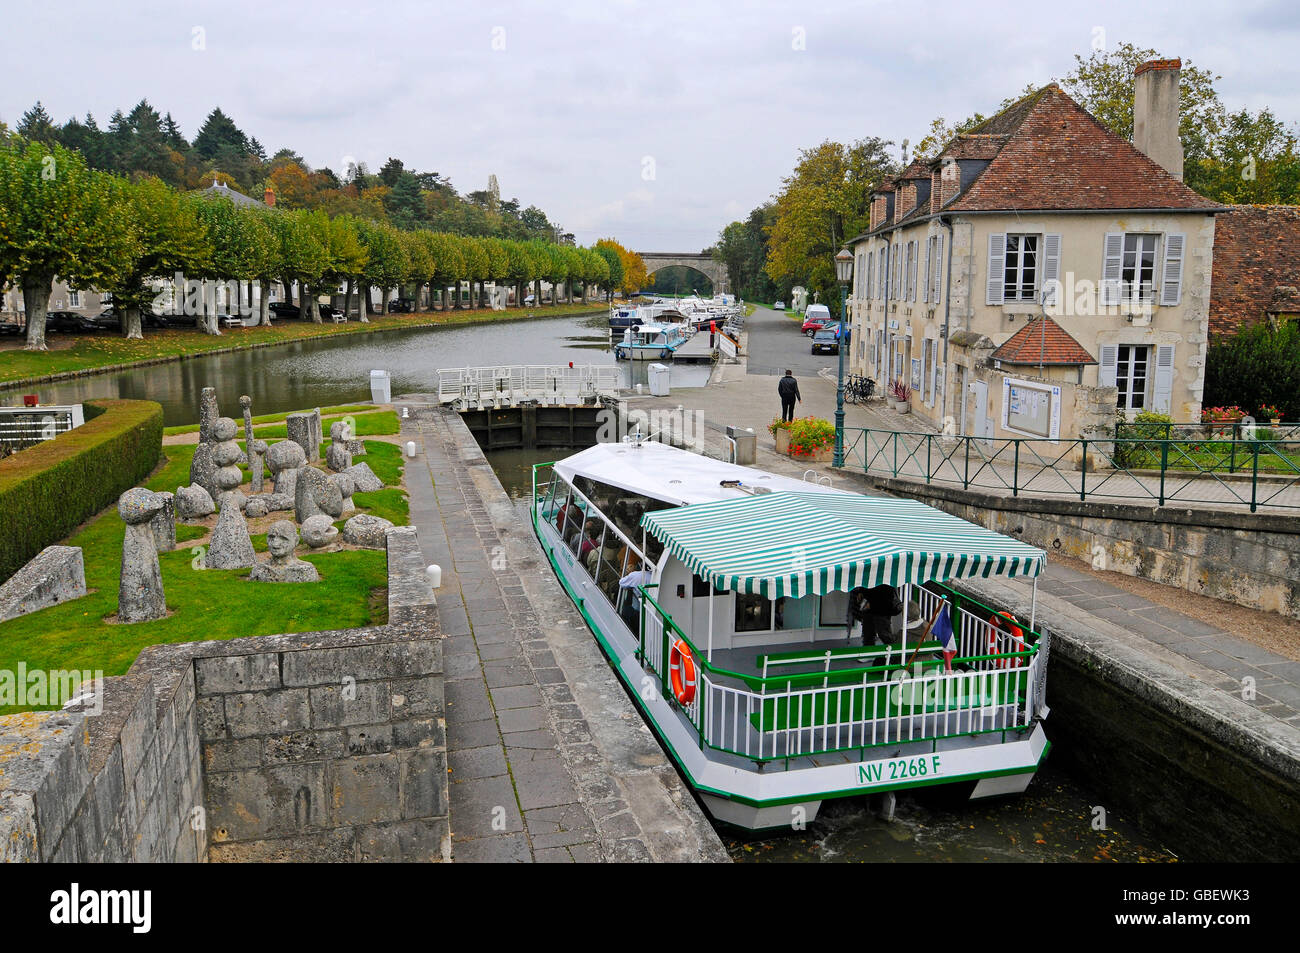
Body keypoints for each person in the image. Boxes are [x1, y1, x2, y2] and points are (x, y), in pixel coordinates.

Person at [618, 561, 654, 631]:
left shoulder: (635, 575)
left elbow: (621, 583)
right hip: (648, 612)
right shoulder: (653, 577)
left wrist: (630, 574)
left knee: (626, 610)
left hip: (635, 610)